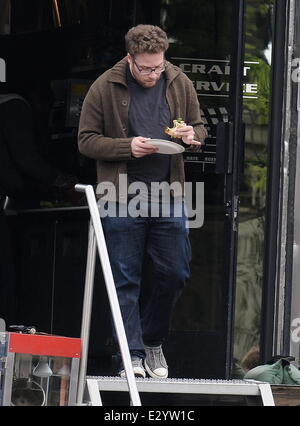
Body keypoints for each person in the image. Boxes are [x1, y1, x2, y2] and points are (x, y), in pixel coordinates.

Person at [78, 24, 207, 379]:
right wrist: (126, 146)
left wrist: (191, 135)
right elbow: (86, 141)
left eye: (158, 67)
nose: (153, 74)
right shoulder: (104, 86)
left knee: (175, 272)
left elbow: (199, 127)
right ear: (130, 58)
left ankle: (151, 340)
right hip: (120, 193)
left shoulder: (178, 80)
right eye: (146, 68)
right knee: (124, 277)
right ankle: (129, 355)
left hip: (169, 193)